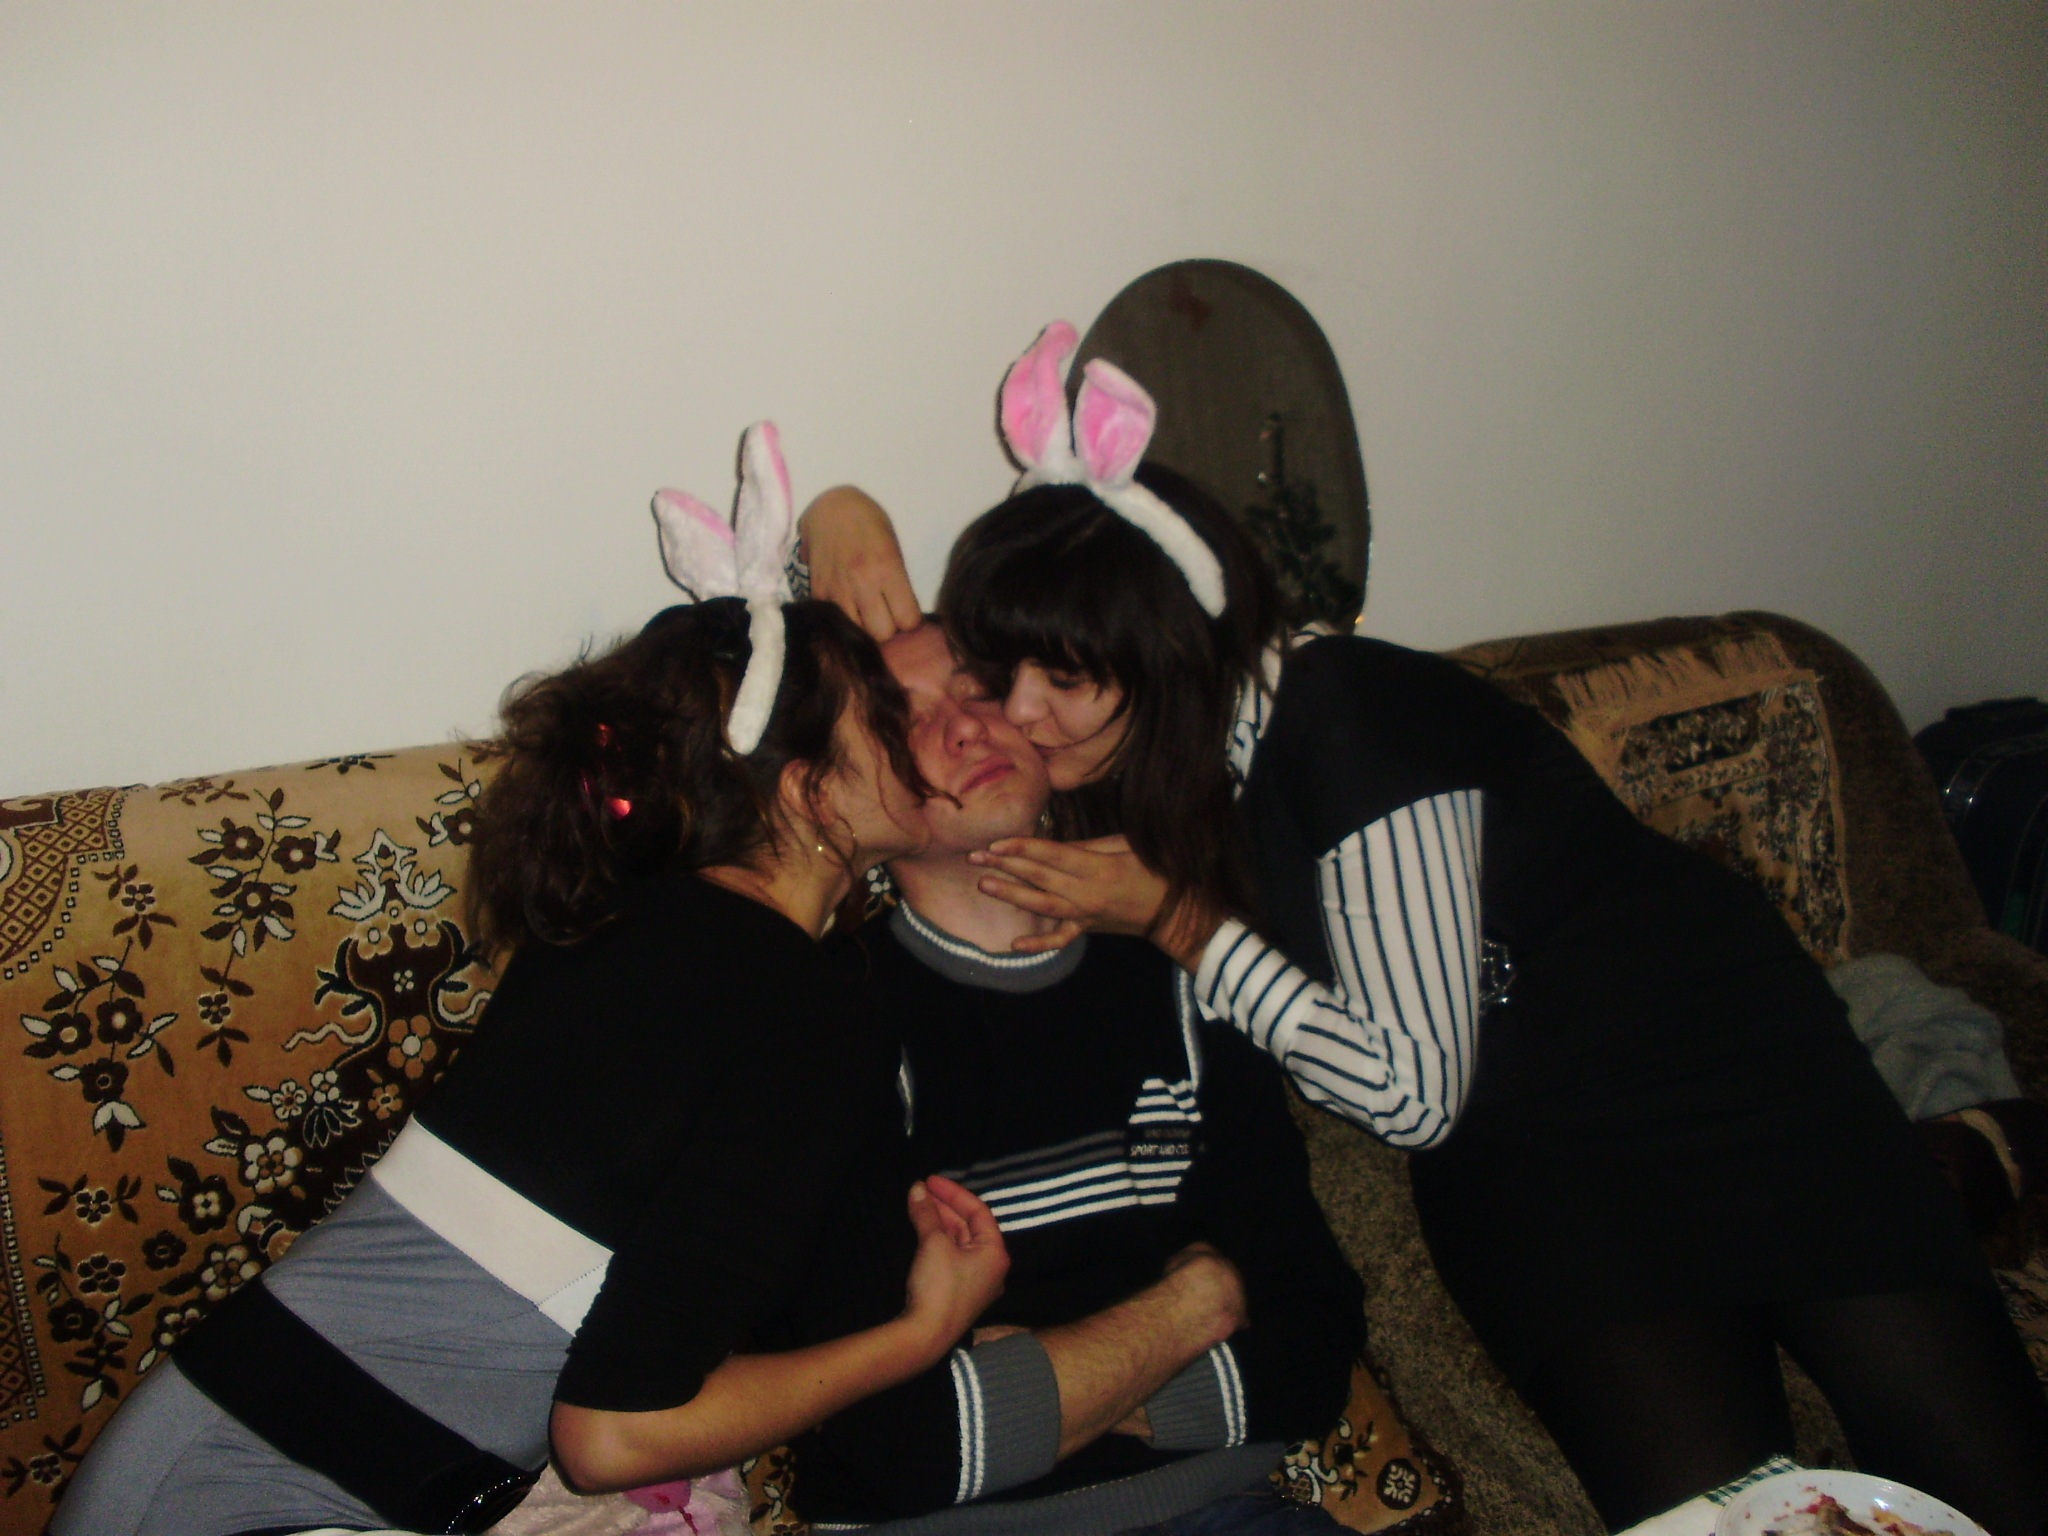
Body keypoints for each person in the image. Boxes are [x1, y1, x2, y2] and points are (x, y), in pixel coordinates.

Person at [795, 326, 2048, 1534]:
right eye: (1005, 676)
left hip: (1717, 1077)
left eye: (1059, 680)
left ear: (1162, 644)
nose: (1021, 717)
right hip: (1530, 1161)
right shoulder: (1134, 761)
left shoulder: (1346, 719)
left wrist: (1180, 922)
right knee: (1703, 1515)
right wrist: (839, 516)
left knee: (1985, 1484)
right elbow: (888, 749)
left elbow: (1406, 1094)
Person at [57, 430, 1011, 1536]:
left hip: (194, 1455)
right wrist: (921, 1335)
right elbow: (614, 1436)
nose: (932, 735)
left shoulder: (637, 922)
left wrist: (842, 515)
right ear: (803, 791)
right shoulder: (805, 1006)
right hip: (251, 1500)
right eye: (888, 718)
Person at [773, 623, 1363, 1535]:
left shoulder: (1187, 968)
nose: (964, 726)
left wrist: (1041, 1385)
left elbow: (1316, 1345)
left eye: (977, 688)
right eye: (906, 719)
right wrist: (1193, 1309)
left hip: (1225, 1511)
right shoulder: (832, 1022)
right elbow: (892, 1442)